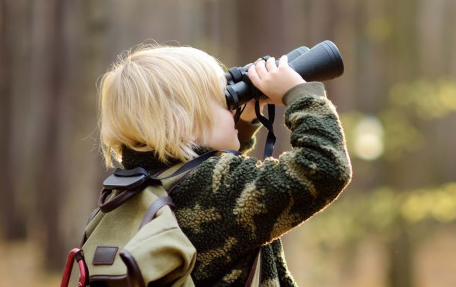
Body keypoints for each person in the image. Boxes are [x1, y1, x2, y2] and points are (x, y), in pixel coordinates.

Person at [97, 45, 352, 287]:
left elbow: (204, 167)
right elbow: (324, 167)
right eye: (225, 100)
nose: (233, 109)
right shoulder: (216, 186)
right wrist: (299, 94)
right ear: (180, 123)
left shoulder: (135, 189)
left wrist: (245, 119)